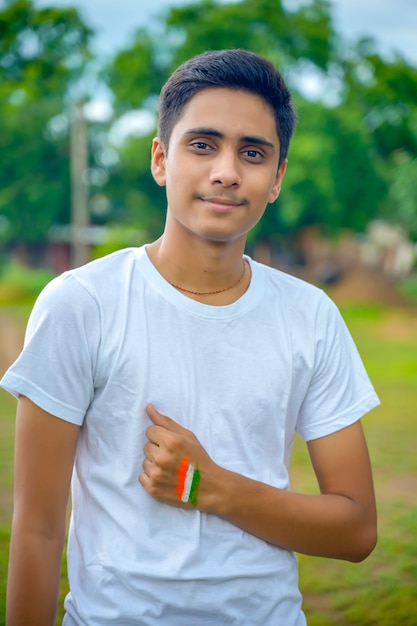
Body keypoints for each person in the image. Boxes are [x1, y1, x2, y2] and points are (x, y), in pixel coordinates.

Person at [1, 49, 379, 626]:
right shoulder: (83, 304)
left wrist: (213, 487)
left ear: (276, 179)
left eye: (253, 153)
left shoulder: (310, 316)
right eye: (202, 145)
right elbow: (37, 526)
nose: (227, 171)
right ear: (160, 159)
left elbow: (356, 529)